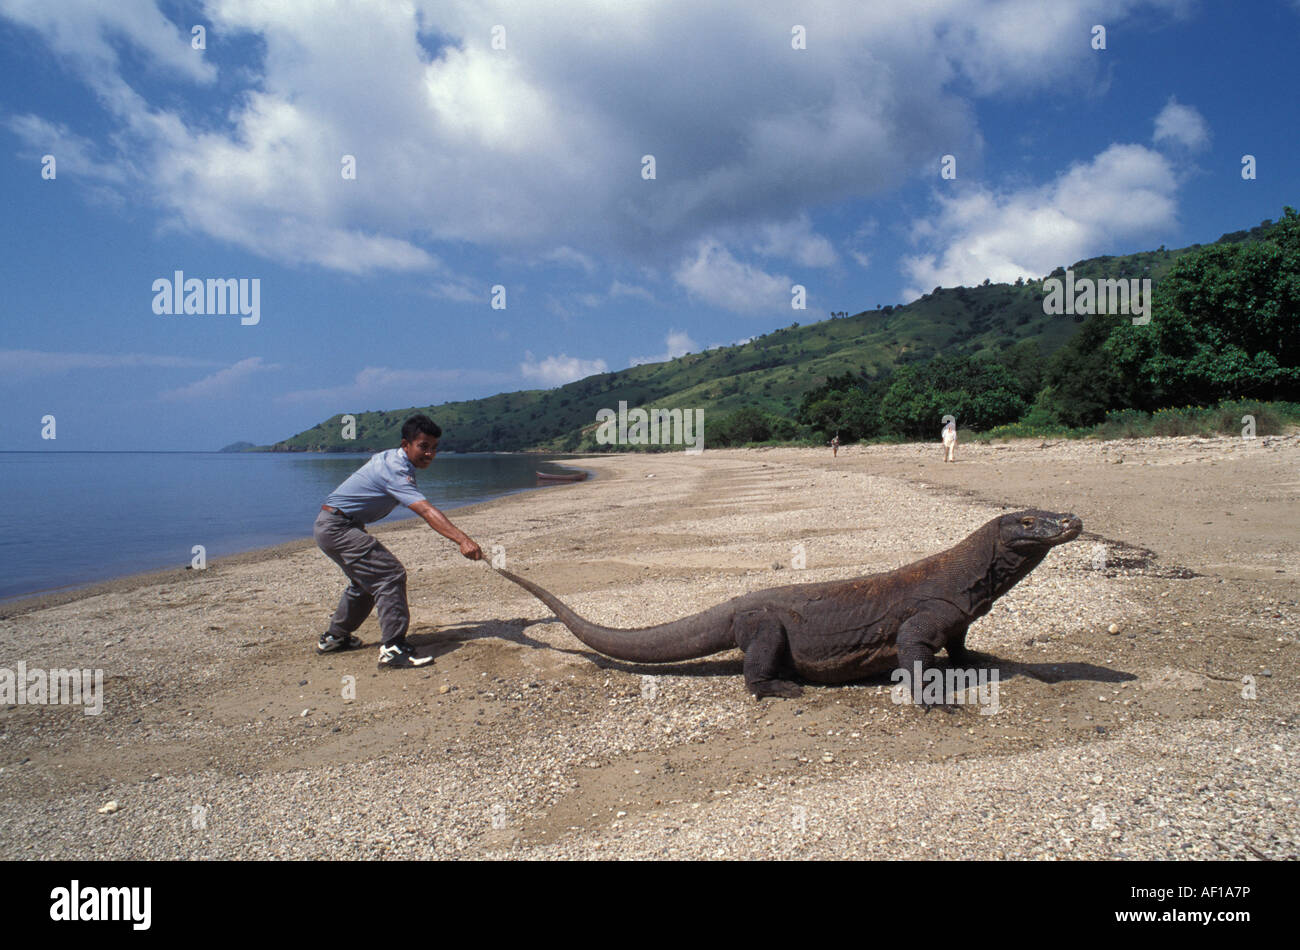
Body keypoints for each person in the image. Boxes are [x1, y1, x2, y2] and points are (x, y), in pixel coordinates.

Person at [314, 414, 483, 669]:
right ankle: (392, 648)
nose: (430, 454)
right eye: (423, 446)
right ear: (406, 444)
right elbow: (426, 511)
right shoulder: (395, 468)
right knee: (389, 575)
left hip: (336, 525)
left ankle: (335, 638)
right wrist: (463, 540)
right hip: (338, 527)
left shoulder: (394, 460)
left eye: (434, 448)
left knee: (365, 583)